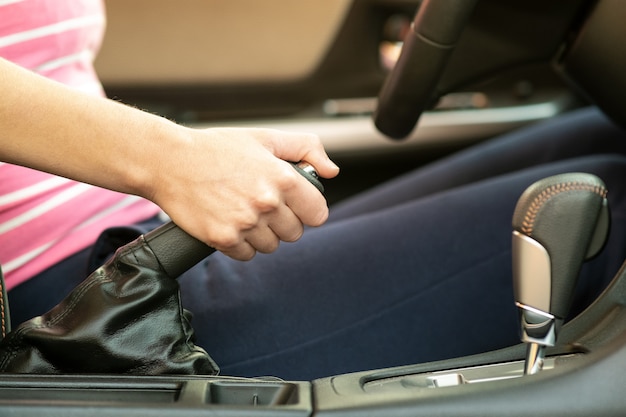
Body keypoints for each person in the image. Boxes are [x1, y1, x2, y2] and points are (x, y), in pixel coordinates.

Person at [3, 0, 626, 382]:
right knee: (612, 200)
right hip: (83, 310)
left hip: (124, 239)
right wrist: (170, 156)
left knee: (596, 135)